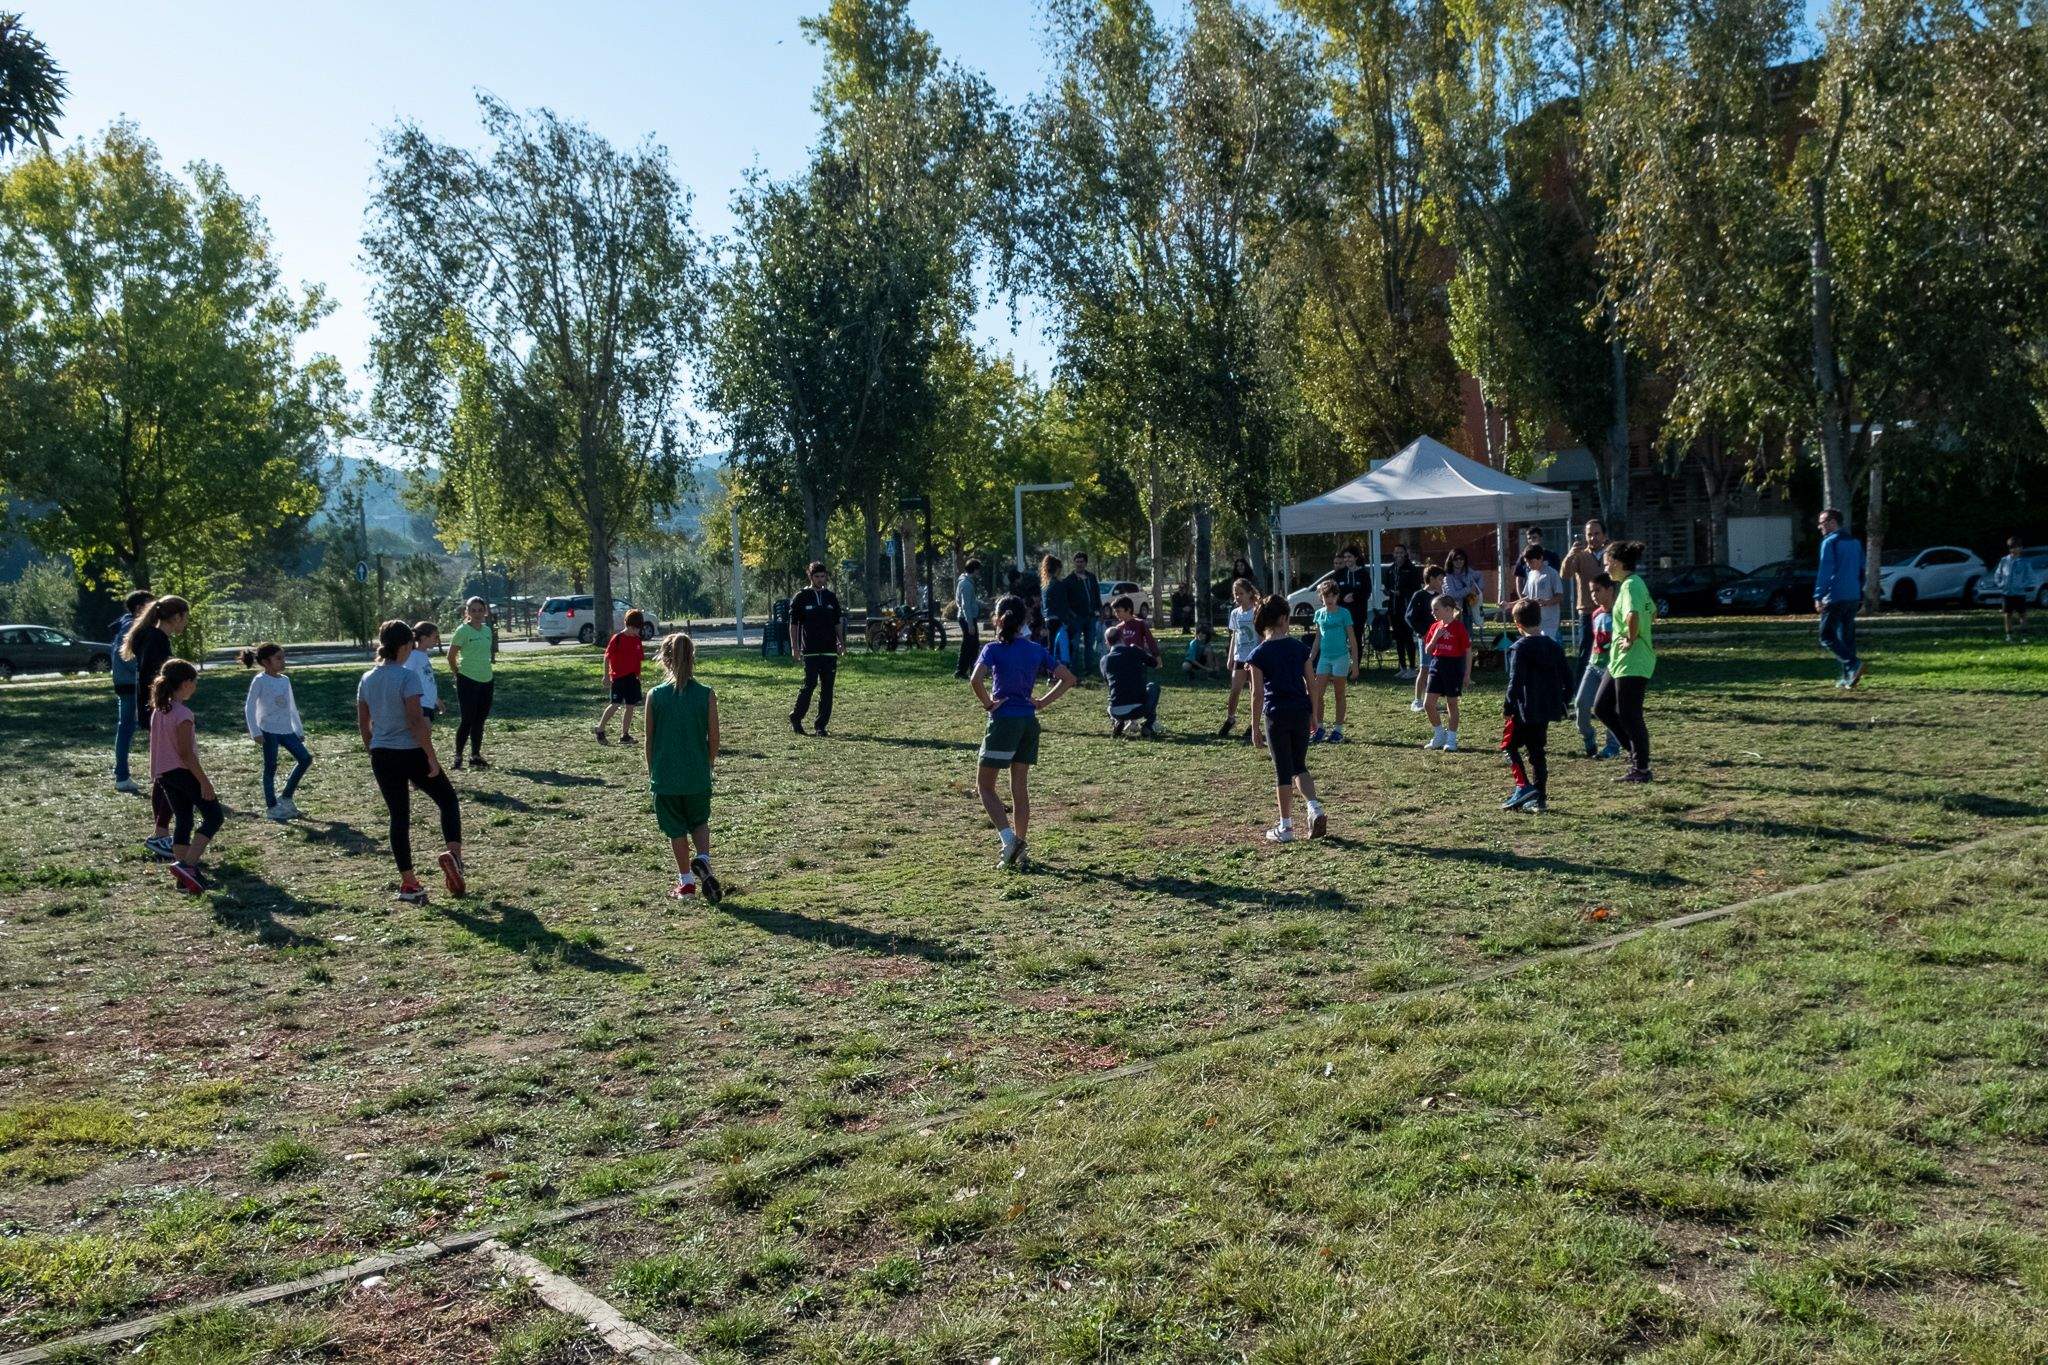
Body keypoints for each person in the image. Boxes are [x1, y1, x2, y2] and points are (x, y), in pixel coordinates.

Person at [357, 620, 465, 904]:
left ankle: (409, 884)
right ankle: (455, 858)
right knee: (447, 800)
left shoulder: (367, 679)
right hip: (410, 751)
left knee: (399, 818)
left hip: (382, 755)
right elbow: (416, 722)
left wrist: (374, 752)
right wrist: (431, 756)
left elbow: (363, 725)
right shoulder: (407, 678)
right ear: (405, 645)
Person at [968, 595, 1077, 871]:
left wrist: (988, 704)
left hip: (1004, 722)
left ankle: (1009, 841)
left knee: (985, 786)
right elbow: (1069, 678)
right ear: (1025, 620)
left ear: (998, 618)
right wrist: (1041, 702)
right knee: (1019, 788)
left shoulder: (992, 649)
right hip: (1029, 723)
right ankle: (1020, 847)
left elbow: (975, 680)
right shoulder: (1035, 649)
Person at [644, 632, 722, 902]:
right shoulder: (706, 694)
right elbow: (714, 738)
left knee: (676, 830)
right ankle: (703, 860)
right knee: (699, 823)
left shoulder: (654, 696)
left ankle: (687, 883)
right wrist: (708, 765)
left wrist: (652, 771)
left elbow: (649, 740)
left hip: (666, 777)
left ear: (664, 660)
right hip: (697, 775)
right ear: (693, 658)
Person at [1248, 595, 1327, 843]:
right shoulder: (1299, 648)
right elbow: (1312, 684)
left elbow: (1257, 694)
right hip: (1300, 710)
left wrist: (1254, 727)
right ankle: (1314, 808)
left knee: (1283, 770)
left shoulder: (1258, 654)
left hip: (1276, 713)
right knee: (1299, 765)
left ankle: (1286, 827)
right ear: (1284, 619)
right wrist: (1314, 714)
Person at [122, 594, 191, 859]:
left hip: (158, 711)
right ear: (176, 617)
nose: (186, 623)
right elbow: (154, 678)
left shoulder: (152, 637)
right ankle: (160, 835)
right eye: (185, 617)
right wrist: (168, 706)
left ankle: (161, 832)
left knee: (166, 772)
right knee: (169, 773)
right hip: (160, 712)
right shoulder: (155, 640)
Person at [148, 659, 222, 894]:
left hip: (164, 774)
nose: (195, 687)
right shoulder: (183, 714)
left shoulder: (160, 710)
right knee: (214, 816)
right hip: (182, 772)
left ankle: (182, 882)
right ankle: (187, 866)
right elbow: (186, 754)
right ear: (186, 683)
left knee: (184, 819)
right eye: (195, 682)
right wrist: (204, 781)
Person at [1593, 540, 1657, 782]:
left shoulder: (1631, 586)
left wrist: (1631, 638)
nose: (1605, 566)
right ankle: (1635, 755)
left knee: (1631, 715)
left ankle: (1641, 769)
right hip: (1620, 661)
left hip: (1634, 659)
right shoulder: (1632, 585)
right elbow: (1652, 610)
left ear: (1618, 562)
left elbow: (1634, 614)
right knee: (1602, 707)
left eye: (1607, 561)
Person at [1501, 600, 1572, 813]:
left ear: (1517, 623)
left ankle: (1523, 787)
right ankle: (1539, 799)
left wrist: (1508, 705)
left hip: (1524, 709)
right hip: (1546, 708)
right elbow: (1569, 679)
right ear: (1539, 619)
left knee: (1509, 747)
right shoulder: (1554, 646)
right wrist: (1562, 701)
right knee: (1537, 752)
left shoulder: (1519, 648)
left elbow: (1516, 680)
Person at [241, 642, 311, 821]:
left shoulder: (285, 680)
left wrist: (298, 729)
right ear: (266, 662)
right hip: (268, 731)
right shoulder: (260, 680)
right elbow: (249, 707)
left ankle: (286, 798)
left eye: (283, 657)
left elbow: (292, 707)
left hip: (287, 730)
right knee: (270, 768)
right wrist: (255, 731)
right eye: (278, 658)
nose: (283, 661)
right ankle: (272, 807)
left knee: (305, 759)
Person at [788, 561, 845, 736]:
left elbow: (837, 622)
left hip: (829, 650)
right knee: (810, 684)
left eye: (823, 576)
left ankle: (821, 725)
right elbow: (794, 624)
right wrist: (795, 647)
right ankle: (796, 717)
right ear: (810, 576)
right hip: (810, 650)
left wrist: (841, 642)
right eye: (817, 576)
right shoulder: (801, 597)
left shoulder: (830, 597)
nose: (821, 580)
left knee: (827, 688)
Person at [1813, 508, 1865, 689]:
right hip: (1852, 595)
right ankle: (1849, 678)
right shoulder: (1855, 543)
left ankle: (1853, 664)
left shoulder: (1830, 542)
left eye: (1822, 522)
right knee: (1846, 637)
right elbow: (1861, 570)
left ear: (1832, 522)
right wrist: (1860, 592)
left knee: (1826, 636)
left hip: (1835, 596)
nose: (1820, 527)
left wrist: (1818, 596)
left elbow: (1825, 571)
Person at [1573, 576, 1623, 760]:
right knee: (1581, 703)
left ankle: (1612, 746)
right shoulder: (1595, 614)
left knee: (1609, 709)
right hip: (1594, 666)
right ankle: (1588, 736)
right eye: (1592, 591)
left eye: (1597, 590)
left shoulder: (1621, 614)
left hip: (1612, 669)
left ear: (1610, 590)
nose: (1594, 595)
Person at [108, 588, 152, 794]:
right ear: (138, 608)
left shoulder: (127, 623)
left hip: (127, 683)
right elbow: (124, 656)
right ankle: (122, 776)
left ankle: (123, 774)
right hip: (130, 685)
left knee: (126, 728)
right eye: (150, 605)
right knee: (127, 728)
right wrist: (142, 672)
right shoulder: (131, 626)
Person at [446, 597, 496, 770]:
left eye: (479, 610)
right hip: (467, 679)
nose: (476, 613)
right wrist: (457, 674)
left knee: (480, 720)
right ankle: (458, 756)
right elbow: (451, 656)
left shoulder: (487, 630)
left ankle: (475, 755)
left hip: (487, 679)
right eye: (472, 610)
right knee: (467, 719)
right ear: (467, 612)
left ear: (485, 611)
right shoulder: (462, 631)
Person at [1560, 518, 1610, 676]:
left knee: (1607, 649)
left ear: (1604, 535)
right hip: (1587, 611)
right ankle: (1580, 688)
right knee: (1586, 650)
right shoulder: (1580, 555)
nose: (1593, 538)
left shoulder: (1611, 554)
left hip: (1608, 610)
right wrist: (1570, 555)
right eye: (1589, 534)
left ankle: (1606, 685)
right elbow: (1565, 574)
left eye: (1596, 534)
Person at [1308, 578, 1355, 744]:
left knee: (1339, 693)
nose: (1328, 599)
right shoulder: (1319, 614)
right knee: (1317, 693)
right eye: (1325, 596)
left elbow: (1352, 639)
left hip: (1341, 658)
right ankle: (1319, 727)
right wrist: (1310, 659)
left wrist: (1354, 664)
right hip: (1324, 658)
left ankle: (1338, 729)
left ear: (1337, 596)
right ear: (1321, 597)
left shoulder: (1344, 613)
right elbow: (1317, 640)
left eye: (1332, 596)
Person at [1421, 592, 1470, 751]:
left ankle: (1451, 739)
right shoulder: (1435, 627)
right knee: (1428, 704)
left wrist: (1467, 674)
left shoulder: (1459, 627)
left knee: (1452, 703)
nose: (1433, 613)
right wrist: (1435, 637)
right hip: (1437, 665)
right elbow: (1428, 650)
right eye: (1432, 610)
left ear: (1448, 609)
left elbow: (1468, 651)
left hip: (1453, 666)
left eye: (1436, 609)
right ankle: (1439, 734)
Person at [1218, 578, 1262, 740]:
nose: (1237, 597)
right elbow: (1235, 635)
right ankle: (1230, 718)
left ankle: (1253, 723)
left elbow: (1262, 634)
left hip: (1254, 656)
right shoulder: (1235, 613)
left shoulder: (1256, 611)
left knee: (1254, 691)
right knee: (1235, 689)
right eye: (1235, 594)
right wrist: (1231, 656)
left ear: (1250, 593)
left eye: (1241, 593)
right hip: (1240, 656)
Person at [596, 609, 646, 744]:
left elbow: (638, 660)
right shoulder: (617, 639)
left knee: (630, 706)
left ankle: (625, 735)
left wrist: (638, 676)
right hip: (618, 678)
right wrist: (606, 675)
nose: (636, 631)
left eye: (638, 629)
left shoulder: (637, 640)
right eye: (634, 628)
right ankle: (600, 729)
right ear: (627, 625)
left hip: (632, 678)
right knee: (615, 704)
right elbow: (607, 657)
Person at [1103, 638, 1161, 738]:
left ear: (1107, 643)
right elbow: (1155, 664)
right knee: (1153, 687)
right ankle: (1148, 725)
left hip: (1114, 710)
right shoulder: (1134, 651)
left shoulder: (1104, 659)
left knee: (1113, 691)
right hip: (1138, 709)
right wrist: (1141, 651)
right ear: (1121, 638)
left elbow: (1108, 683)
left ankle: (1118, 721)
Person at [1407, 565, 1445, 714]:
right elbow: (1409, 617)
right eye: (1440, 579)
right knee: (1424, 667)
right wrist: (1422, 632)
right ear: (1431, 579)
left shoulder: (1439, 596)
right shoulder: (1419, 595)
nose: (1442, 582)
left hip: (1439, 637)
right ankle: (1417, 700)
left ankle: (1430, 701)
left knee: (1435, 669)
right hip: (1425, 638)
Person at [1385, 546, 1423, 680]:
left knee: (1408, 638)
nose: (1399, 555)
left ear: (1406, 554)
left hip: (1406, 608)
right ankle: (1402, 667)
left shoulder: (1411, 569)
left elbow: (1416, 589)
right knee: (1398, 638)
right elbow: (1387, 585)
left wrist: (1402, 593)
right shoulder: (1391, 569)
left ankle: (1413, 667)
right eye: (1396, 552)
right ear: (1393, 554)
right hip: (1394, 608)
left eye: (1401, 552)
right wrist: (1389, 591)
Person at [1990, 535, 2037, 643]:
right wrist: (2001, 584)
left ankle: (2024, 636)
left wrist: (2024, 585)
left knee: (2022, 614)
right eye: (2014, 547)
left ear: (2021, 548)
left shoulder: (2025, 562)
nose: (2017, 549)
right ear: (2010, 548)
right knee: (2007, 614)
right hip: (2007, 592)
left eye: (2019, 547)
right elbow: (1998, 574)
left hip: (2019, 593)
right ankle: (2009, 636)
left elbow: (2031, 576)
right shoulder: (2004, 560)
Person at [1069, 552, 1104, 679]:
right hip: (1077, 618)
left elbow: (1096, 595)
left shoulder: (1091, 577)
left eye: (1081, 561)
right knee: (1076, 644)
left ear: (1085, 563)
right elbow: (1066, 600)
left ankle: (1089, 669)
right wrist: (1071, 614)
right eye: (1077, 561)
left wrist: (1100, 611)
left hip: (1091, 616)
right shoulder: (1069, 579)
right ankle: (1074, 671)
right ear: (1074, 562)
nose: (1079, 564)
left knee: (1090, 644)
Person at [1520, 547, 1565, 642]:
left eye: (1531, 562)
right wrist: (1509, 604)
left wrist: (1546, 602)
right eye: (1526, 562)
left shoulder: (1552, 573)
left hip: (1549, 623)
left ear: (1540, 558)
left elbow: (1560, 596)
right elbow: (1528, 598)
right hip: (1534, 623)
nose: (1528, 565)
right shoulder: (1531, 574)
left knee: (1548, 649)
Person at [1333, 546, 1368, 662]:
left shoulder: (1363, 573)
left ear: (1356, 558)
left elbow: (1366, 592)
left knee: (1356, 639)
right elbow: (1334, 592)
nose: (1347, 559)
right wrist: (1342, 598)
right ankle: (1342, 664)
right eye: (1345, 557)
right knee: (1341, 639)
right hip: (1342, 613)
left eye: (1349, 557)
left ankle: (1356, 666)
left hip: (1358, 614)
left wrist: (1354, 596)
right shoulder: (1340, 574)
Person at [1102, 595, 1159, 664]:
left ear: (1128, 610)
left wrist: (1157, 657)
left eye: (1118, 611)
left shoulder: (1140, 624)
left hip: (1139, 661)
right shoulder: (1118, 628)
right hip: (1124, 662)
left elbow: (1151, 642)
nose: (1116, 614)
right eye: (1115, 612)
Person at [405, 622, 443, 723]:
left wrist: (436, 700)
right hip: (420, 706)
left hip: (428, 705)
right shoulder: (413, 656)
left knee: (426, 737)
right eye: (435, 637)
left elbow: (427, 681)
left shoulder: (423, 655)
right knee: (423, 737)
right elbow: (406, 679)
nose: (437, 640)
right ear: (423, 638)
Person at [1443, 549, 1485, 634]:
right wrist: (1468, 590)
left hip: (1468, 610)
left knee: (1468, 639)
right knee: (1455, 638)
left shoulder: (1468, 572)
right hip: (1454, 613)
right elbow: (1451, 595)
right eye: (1456, 559)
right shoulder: (1447, 577)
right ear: (1451, 560)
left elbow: (1480, 575)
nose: (1459, 561)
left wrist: (1478, 589)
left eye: (1461, 559)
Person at [954, 558, 983, 679]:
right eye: (978, 570)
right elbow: (965, 605)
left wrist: (981, 604)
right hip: (967, 618)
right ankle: (961, 671)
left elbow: (968, 601)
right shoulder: (966, 584)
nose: (979, 573)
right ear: (974, 569)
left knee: (973, 645)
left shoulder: (967, 582)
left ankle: (972, 670)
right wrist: (970, 623)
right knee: (968, 645)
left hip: (968, 617)